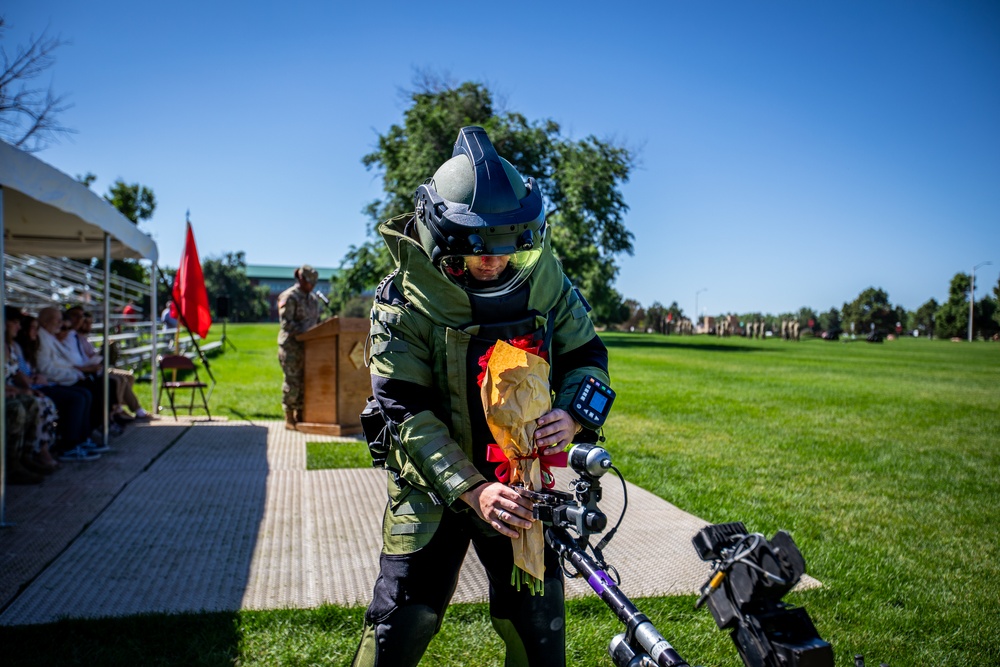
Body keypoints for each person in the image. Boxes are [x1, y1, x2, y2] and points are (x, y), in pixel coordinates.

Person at [352, 127, 610, 667]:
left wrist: (570, 416)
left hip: (521, 488)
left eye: (505, 247)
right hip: (433, 492)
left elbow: (589, 358)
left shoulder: (548, 282)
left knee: (538, 631)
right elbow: (405, 412)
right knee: (400, 624)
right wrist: (473, 491)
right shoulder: (403, 299)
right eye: (475, 251)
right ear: (440, 238)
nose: (492, 263)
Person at [15, 313, 98, 461]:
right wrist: (75, 374)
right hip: (39, 385)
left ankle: (81, 439)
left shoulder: (38, 342)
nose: (61, 326)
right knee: (77, 397)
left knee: (84, 393)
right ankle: (68, 445)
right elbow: (38, 370)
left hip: (44, 382)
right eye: (33, 328)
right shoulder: (30, 344)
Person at [277, 264, 321, 429]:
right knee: (293, 381)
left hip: (310, 347)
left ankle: (302, 414)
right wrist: (305, 333)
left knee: (307, 381)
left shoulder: (313, 299)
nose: (312, 286)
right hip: (292, 347)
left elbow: (316, 322)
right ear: (301, 279)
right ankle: (289, 415)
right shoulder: (289, 297)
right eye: (310, 282)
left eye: (314, 283)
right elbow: (287, 324)